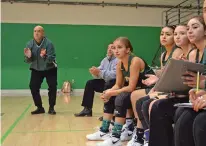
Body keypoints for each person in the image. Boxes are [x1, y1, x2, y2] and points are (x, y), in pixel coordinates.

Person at [148, 15, 206, 146]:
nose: (190, 31)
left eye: (195, 27)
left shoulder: (188, 52)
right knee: (157, 106)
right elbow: (193, 83)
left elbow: (199, 82)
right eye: (188, 28)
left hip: (192, 98)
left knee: (187, 117)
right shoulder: (193, 53)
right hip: (193, 97)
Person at [86, 37, 154, 146]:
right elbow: (118, 85)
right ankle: (105, 130)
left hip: (150, 89)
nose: (116, 50)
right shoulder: (119, 64)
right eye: (114, 48)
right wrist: (107, 92)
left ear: (127, 50)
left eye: (119, 47)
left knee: (120, 98)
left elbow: (131, 87)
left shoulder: (135, 61)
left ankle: (118, 136)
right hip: (137, 90)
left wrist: (111, 93)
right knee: (110, 92)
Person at [128, 25, 183, 146]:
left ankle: (147, 136)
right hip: (163, 86)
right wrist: (156, 82)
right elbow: (163, 75)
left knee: (143, 101)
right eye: (162, 34)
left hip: (170, 89)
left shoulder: (177, 51)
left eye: (168, 34)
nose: (164, 36)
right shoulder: (163, 55)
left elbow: (169, 77)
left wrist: (157, 82)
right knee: (135, 97)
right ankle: (141, 133)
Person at [74, 44, 117, 117]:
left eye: (112, 48)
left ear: (116, 50)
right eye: (108, 48)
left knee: (109, 84)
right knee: (90, 83)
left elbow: (114, 75)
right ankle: (87, 109)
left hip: (115, 83)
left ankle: (107, 113)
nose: (109, 50)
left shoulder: (118, 60)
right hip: (106, 82)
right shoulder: (105, 60)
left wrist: (100, 72)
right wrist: (94, 72)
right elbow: (99, 70)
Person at [24, 25, 57, 115]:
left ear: (43, 33)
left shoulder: (49, 44)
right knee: (33, 86)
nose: (36, 33)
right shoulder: (29, 44)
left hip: (50, 68)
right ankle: (39, 107)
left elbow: (52, 58)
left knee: (52, 87)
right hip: (36, 68)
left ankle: (51, 107)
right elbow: (27, 60)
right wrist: (28, 56)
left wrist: (45, 56)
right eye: (35, 31)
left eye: (39, 31)